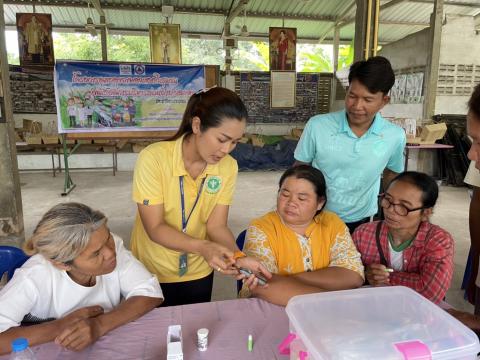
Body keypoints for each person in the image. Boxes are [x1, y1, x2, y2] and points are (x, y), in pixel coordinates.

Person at [131, 87, 271, 307]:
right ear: (197, 126)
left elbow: (216, 226)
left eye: (234, 142)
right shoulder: (154, 158)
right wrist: (204, 248)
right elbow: (155, 227)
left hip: (199, 270)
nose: (226, 150)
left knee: (194, 333)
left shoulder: (228, 167)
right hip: (152, 270)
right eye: (222, 139)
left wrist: (237, 256)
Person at [0, 203, 163, 354]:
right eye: (96, 253)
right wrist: (61, 326)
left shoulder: (111, 247)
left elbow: (150, 293)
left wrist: (100, 325)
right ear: (62, 264)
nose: (110, 253)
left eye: (108, 238)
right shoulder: (34, 277)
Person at [294, 56, 406, 233]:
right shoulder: (318, 125)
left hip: (363, 220)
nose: (357, 106)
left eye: (368, 100)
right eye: (352, 96)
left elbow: (392, 175)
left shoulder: (394, 136)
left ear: (384, 101)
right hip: (316, 216)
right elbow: (300, 169)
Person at [239, 165, 364, 306]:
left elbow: (353, 276)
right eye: (285, 194)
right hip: (271, 310)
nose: (291, 203)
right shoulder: (261, 227)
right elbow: (263, 286)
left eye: (302, 198)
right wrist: (328, 302)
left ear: (320, 203)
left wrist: (285, 281)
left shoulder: (333, 223)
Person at [352, 171, 454, 304]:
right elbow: (347, 275)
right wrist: (365, 273)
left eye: (404, 206)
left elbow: (430, 292)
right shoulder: (363, 233)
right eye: (388, 199)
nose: (391, 210)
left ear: (426, 213)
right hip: (373, 308)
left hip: (419, 314)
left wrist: (385, 276)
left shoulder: (439, 241)